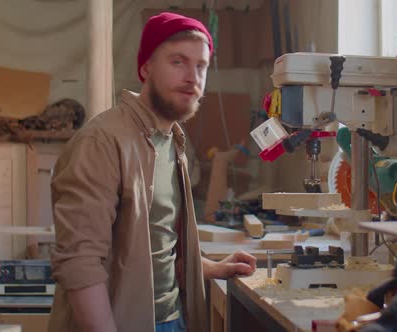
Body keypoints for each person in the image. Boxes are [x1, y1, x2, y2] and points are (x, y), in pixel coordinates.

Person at [48, 12, 257, 332]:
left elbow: (154, 248)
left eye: (200, 66)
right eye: (178, 62)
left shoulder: (172, 139)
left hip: (172, 318)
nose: (192, 77)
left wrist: (210, 268)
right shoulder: (102, 141)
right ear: (146, 67)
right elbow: (80, 264)